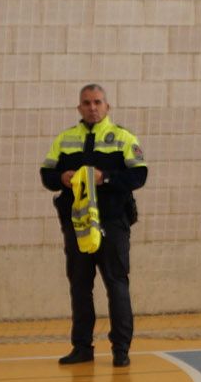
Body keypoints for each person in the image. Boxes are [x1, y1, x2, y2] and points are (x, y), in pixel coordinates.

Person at [41, 84, 147, 367]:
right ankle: (82, 347)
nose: (92, 107)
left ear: (107, 106)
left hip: (112, 223)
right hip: (77, 223)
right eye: (86, 103)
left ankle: (121, 350)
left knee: (117, 284)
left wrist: (106, 178)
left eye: (97, 102)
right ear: (79, 108)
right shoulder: (65, 139)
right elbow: (46, 174)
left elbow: (139, 175)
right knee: (79, 285)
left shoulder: (123, 138)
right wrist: (60, 178)